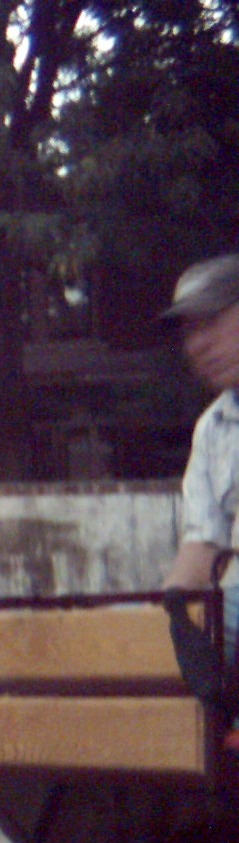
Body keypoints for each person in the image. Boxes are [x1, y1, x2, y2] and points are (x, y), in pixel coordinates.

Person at [164, 253, 239, 602]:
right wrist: (164, 617)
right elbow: (203, 546)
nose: (197, 345)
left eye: (210, 322)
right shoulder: (214, 428)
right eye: (189, 330)